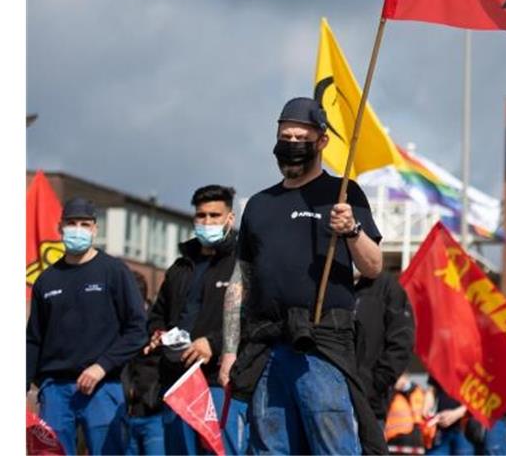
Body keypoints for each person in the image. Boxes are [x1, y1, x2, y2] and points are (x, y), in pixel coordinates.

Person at [219, 97, 386, 455]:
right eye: (285, 136)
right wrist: (230, 351)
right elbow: (240, 281)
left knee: (332, 447)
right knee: (269, 447)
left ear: (322, 141)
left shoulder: (343, 194)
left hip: (321, 347)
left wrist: (353, 231)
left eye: (300, 137)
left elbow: (373, 266)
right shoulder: (259, 205)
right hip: (267, 348)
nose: (291, 144)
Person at [26, 197, 148, 455]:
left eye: (85, 224)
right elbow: (33, 340)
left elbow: (137, 330)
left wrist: (102, 365)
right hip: (56, 391)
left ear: (95, 229)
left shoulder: (114, 271)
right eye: (72, 223)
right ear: (60, 228)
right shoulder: (46, 281)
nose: (78, 229)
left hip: (103, 388)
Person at [147, 184, 245, 454]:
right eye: (201, 216)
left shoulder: (243, 263)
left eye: (215, 215)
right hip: (178, 384)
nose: (207, 222)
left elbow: (254, 319)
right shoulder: (181, 267)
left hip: (218, 382)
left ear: (230, 218)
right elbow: (157, 314)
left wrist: (213, 343)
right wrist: (157, 333)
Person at [355, 270, 416, 425]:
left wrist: (374, 386)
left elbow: (401, 343)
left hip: (369, 407)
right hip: (327, 405)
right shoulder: (328, 284)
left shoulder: (388, 288)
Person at [122, 270, 164, 455]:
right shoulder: (120, 328)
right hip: (126, 415)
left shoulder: (158, 329)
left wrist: (151, 397)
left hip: (153, 414)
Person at [425, 377, 475, 455]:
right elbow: (431, 391)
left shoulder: (474, 367)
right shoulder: (440, 365)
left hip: (465, 429)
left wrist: (456, 413)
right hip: (441, 429)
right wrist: (426, 410)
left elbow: (478, 398)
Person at [386, 372, 428, 455]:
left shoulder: (416, 390)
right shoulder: (390, 394)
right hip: (395, 437)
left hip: (417, 435)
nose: (401, 382)